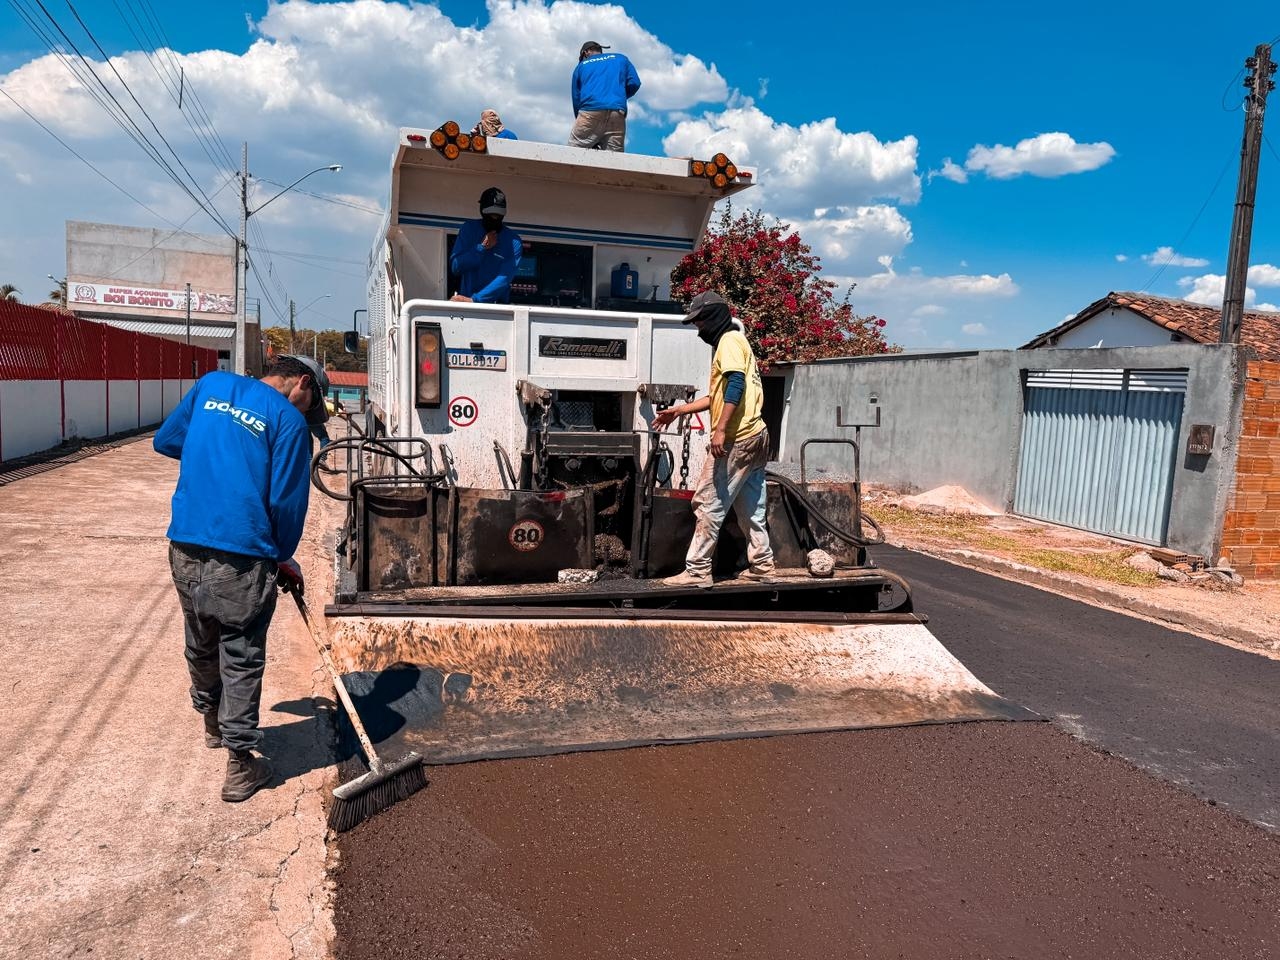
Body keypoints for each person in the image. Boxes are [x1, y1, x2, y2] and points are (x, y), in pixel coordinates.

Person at [155, 354, 329, 802]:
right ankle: (239, 764)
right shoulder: (288, 421)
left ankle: (212, 724)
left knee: (201, 639)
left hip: (186, 544)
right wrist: (281, 556)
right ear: (302, 383)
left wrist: (217, 459)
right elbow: (286, 504)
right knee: (241, 654)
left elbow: (167, 440)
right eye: (311, 404)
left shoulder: (211, 385)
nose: (306, 413)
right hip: (243, 555)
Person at [651, 291, 773, 586]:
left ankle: (697, 570)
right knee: (751, 504)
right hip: (756, 435)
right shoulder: (738, 342)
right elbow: (718, 396)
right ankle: (762, 564)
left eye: (700, 321)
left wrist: (720, 430)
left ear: (714, 317)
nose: (698, 328)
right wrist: (680, 410)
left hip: (737, 439)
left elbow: (736, 385)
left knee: (708, 502)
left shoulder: (728, 342)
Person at [449, 186, 523, 304]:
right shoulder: (469, 229)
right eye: (491, 214)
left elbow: (504, 278)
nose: (494, 218)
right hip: (466, 305)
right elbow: (456, 267)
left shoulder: (514, 241)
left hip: (496, 307)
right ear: (482, 210)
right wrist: (481, 248)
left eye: (498, 215)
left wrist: (475, 300)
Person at [567, 40, 640, 152]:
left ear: (586, 52)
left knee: (573, 153)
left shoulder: (581, 66)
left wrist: (583, 120)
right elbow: (635, 83)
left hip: (590, 111)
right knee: (614, 158)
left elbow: (577, 98)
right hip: (617, 112)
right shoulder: (621, 58)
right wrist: (618, 98)